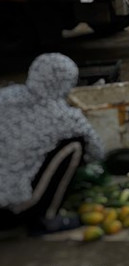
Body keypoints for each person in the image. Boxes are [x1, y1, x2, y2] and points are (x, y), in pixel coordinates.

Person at [0, 54, 104, 233]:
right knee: (75, 145)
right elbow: (97, 153)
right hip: (9, 211)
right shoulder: (66, 117)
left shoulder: (6, 96)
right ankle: (47, 218)